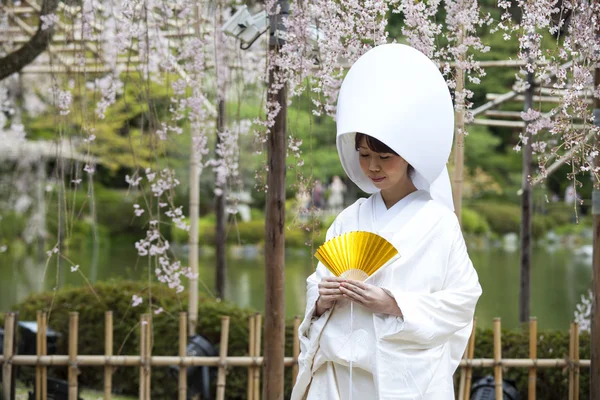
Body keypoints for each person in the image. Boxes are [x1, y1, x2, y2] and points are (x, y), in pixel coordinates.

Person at [291, 44, 482, 400]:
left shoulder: (439, 223)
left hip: (402, 380)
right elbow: (316, 286)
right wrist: (322, 299)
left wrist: (393, 303)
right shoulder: (350, 218)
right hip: (337, 381)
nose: (373, 167)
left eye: (384, 156)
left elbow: (463, 301)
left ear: (409, 155)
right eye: (364, 155)